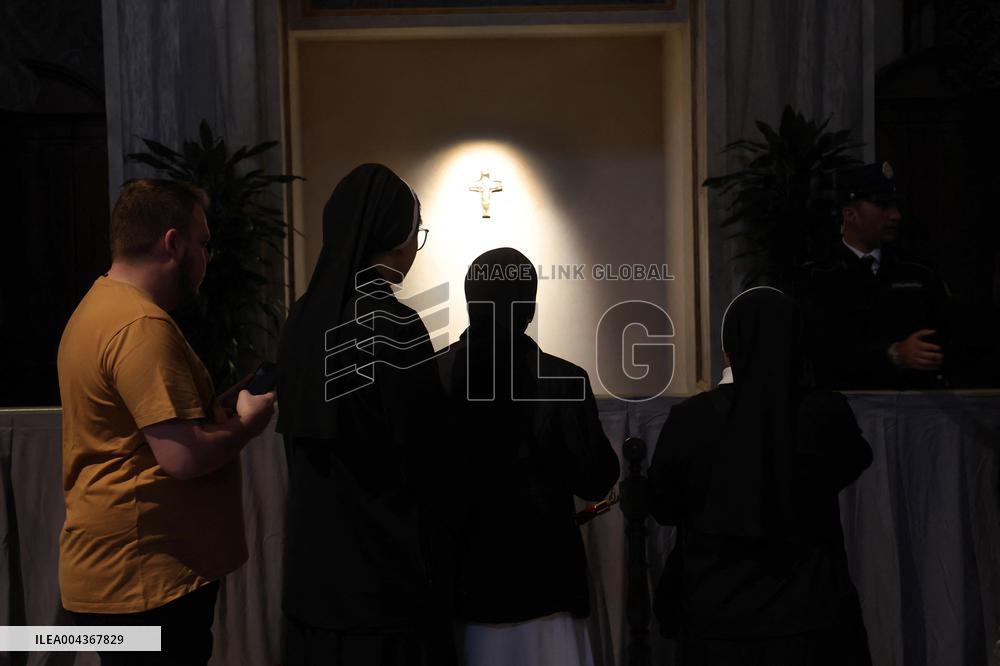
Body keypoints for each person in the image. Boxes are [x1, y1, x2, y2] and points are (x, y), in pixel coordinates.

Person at [57, 179, 276, 665]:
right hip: (144, 581)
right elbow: (182, 456)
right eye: (203, 243)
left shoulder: (97, 306)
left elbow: (140, 431)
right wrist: (248, 425)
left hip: (115, 576)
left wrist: (219, 408)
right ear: (172, 243)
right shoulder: (142, 327)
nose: (208, 258)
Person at [276, 164, 456, 666]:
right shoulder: (394, 324)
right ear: (395, 238)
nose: (416, 247)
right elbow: (426, 453)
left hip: (312, 574)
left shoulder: (302, 318)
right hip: (381, 579)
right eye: (416, 233)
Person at [648, 286, 873, 666]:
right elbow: (854, 461)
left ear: (728, 349)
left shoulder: (692, 419)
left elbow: (664, 507)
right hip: (812, 618)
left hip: (715, 618)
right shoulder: (826, 412)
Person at [439, 248, 619, 666]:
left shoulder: (434, 376)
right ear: (529, 307)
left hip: (464, 585)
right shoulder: (564, 381)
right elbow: (596, 479)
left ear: (470, 303)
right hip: (547, 584)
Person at [799, 161, 951, 389]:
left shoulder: (918, 273)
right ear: (850, 214)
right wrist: (892, 353)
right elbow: (819, 351)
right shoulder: (818, 276)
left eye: (895, 206)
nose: (895, 215)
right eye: (883, 206)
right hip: (846, 402)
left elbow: (945, 335)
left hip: (914, 401)